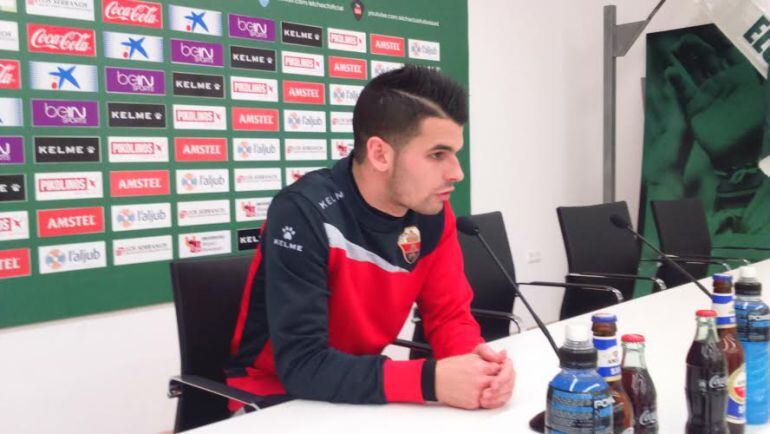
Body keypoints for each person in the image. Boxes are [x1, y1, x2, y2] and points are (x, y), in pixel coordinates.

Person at [226, 65, 515, 412]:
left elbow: (449, 316)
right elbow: (301, 365)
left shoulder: (434, 214)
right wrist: (430, 380)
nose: (457, 172)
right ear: (380, 154)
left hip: (357, 389)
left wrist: (477, 366)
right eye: (438, 155)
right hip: (271, 398)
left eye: (455, 153)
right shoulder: (303, 212)